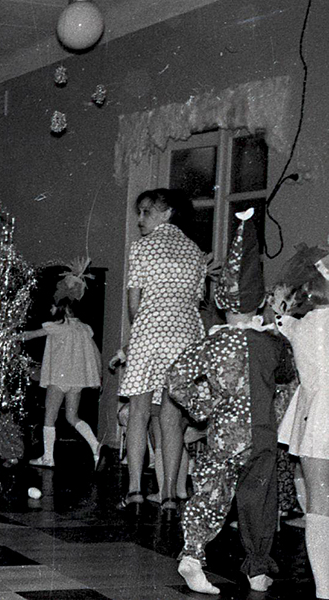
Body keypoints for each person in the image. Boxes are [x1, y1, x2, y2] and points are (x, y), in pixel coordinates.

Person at [167, 209, 294, 594]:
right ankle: (257, 568)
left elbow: (175, 378)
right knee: (259, 502)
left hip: (224, 435)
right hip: (262, 437)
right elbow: (288, 373)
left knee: (212, 494)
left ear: (222, 303)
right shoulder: (272, 344)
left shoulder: (212, 341)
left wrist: (203, 404)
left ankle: (192, 555)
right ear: (258, 303)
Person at [113, 189, 206, 510]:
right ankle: (169, 494)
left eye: (146, 212)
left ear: (167, 213)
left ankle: (136, 489)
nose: (140, 219)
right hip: (185, 335)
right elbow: (195, 300)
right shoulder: (195, 251)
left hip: (151, 332)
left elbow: (135, 306)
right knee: (171, 417)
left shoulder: (141, 248)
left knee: (138, 413)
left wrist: (144, 334)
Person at [271, 243, 329, 599]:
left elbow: (279, 319)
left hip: (316, 418)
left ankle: (325, 588)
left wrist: (280, 305)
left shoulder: (299, 325)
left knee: (319, 506)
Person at [22, 257, 102, 469]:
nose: (49, 309)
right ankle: (95, 446)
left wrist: (7, 336)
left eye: (52, 306)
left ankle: (48, 457)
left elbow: (30, 335)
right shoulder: (84, 328)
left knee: (50, 415)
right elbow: (94, 353)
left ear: (62, 307)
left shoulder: (56, 326)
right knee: (72, 416)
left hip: (59, 377)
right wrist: (96, 376)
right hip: (76, 380)